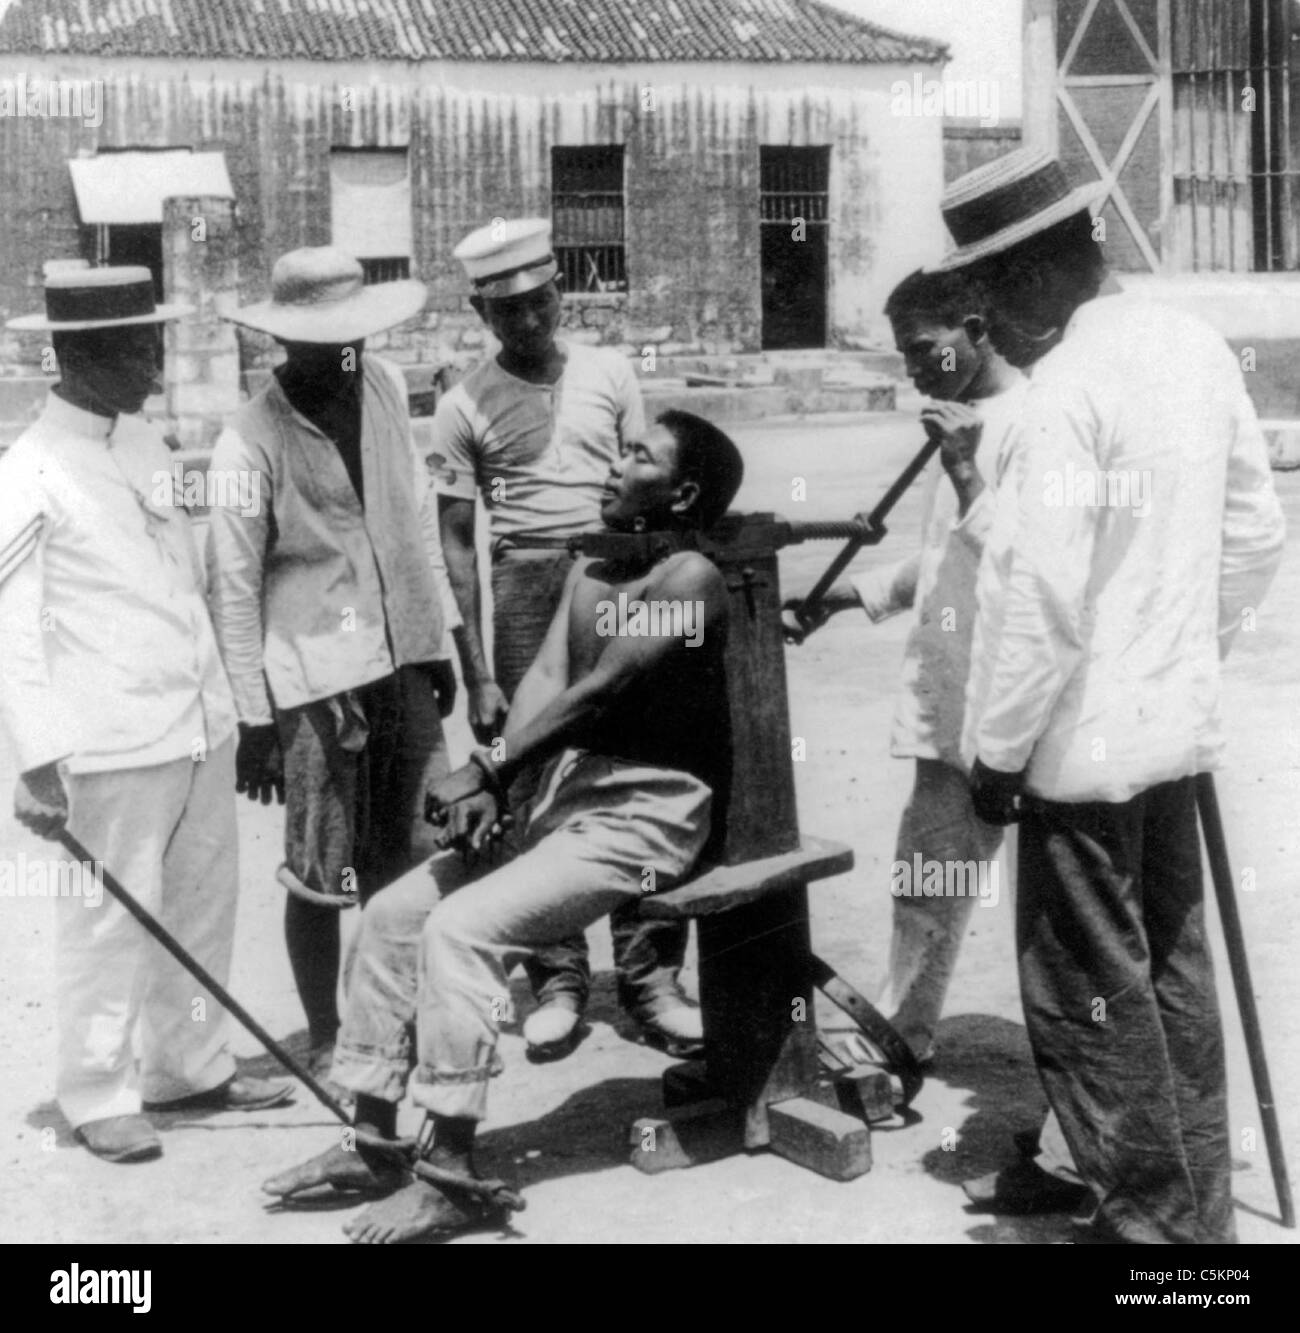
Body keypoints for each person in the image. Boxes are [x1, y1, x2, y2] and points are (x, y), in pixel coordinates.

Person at [263, 409, 744, 1243]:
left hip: (647, 819)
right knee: (390, 914)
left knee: (461, 929)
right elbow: (547, 681)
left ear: (683, 491)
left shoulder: (690, 580)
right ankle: (375, 1141)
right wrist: (503, 783)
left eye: (638, 457)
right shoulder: (592, 570)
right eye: (619, 447)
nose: (614, 463)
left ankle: (452, 1171)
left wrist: (486, 770)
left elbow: (600, 693)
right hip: (564, 803)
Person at [951, 149, 1285, 1243]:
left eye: (993, 293)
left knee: (1092, 1007)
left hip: (1074, 759)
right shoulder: (1193, 349)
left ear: (1042, 273)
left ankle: (1153, 1238)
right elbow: (1253, 535)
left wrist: (995, 758)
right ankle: (1196, 1233)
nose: (992, 320)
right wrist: (1179, 653)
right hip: (1171, 739)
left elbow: (1034, 600)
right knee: (1171, 985)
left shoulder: (1063, 395)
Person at [0, 263, 291, 1164]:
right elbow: (10, 627)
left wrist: (232, 706)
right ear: (79, 353)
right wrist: (36, 757)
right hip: (108, 742)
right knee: (108, 920)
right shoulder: (29, 472)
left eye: (155, 345)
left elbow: (187, 582)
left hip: (193, 723)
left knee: (201, 905)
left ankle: (190, 1064)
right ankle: (96, 1090)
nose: (157, 369)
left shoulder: (146, 445)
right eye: (138, 350)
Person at [432, 217, 701, 1059]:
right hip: (522, 587)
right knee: (531, 776)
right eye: (506, 309)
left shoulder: (611, 371)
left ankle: (652, 974)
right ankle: (555, 975)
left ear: (558, 291)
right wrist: (477, 670)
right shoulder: (462, 402)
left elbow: (646, 490)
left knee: (636, 765)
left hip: (614, 578)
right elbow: (454, 542)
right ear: (483, 313)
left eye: (540, 299)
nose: (529, 319)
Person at [207, 248, 461, 1089]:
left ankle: (399, 1021)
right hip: (315, 679)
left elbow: (417, 521)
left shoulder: (386, 387)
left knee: (421, 855)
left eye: (356, 336)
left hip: (402, 660)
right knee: (322, 872)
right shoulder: (251, 437)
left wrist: (442, 640)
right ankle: (325, 1033)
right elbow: (234, 587)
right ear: (288, 341)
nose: (344, 354)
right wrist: (255, 721)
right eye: (326, 341)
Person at [783, 266, 1026, 1068]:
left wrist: (965, 467)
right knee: (926, 878)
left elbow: (1030, 567)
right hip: (948, 694)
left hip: (1020, 699)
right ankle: (901, 1033)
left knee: (1055, 910)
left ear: (976, 327)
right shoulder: (959, 419)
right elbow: (941, 559)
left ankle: (1076, 1113)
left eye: (926, 349)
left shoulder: (1030, 419)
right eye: (902, 356)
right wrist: (843, 596)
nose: (915, 369)